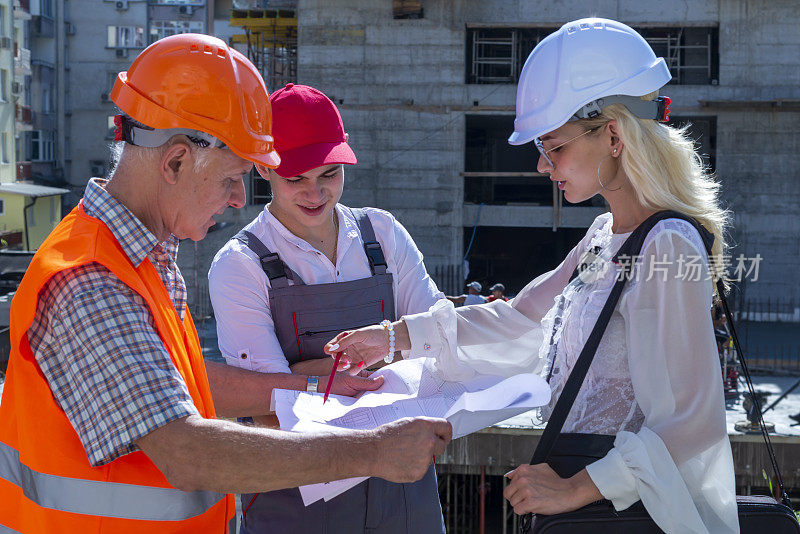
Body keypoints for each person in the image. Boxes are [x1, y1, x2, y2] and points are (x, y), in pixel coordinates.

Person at [0, 34, 451, 534]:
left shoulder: (142, 263)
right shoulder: (91, 280)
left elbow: (185, 389)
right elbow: (188, 452)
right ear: (174, 162)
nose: (240, 199)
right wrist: (376, 449)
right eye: (233, 177)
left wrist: (312, 379)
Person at [326, 18, 738, 534]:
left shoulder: (667, 245)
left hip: (629, 516)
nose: (543, 166)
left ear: (613, 134)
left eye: (553, 146)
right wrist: (392, 338)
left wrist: (576, 488)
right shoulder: (604, 235)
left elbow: (694, 422)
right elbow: (521, 322)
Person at [208, 83, 446, 533]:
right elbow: (270, 408)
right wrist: (399, 347)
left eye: (329, 175)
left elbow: (443, 337)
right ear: (263, 167)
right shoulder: (238, 266)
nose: (315, 193)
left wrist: (310, 372)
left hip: (406, 494)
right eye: (295, 178)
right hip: (298, 503)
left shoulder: (384, 233)